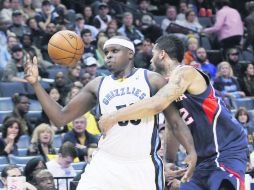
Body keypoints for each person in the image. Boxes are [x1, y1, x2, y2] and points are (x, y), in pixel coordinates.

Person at [24, 35, 196, 190]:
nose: (108, 55)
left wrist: (190, 151)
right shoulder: (97, 84)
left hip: (142, 164)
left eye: (114, 51)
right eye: (106, 52)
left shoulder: (151, 79)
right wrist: (36, 84)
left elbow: (175, 122)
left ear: (130, 54)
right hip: (106, 162)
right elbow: (60, 118)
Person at [99, 35, 248, 190]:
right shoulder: (167, 87)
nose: (150, 60)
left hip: (226, 150)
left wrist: (113, 116)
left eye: (153, 55)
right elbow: (174, 126)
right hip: (202, 159)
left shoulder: (187, 72)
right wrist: (169, 161)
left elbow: (157, 103)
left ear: (162, 54)